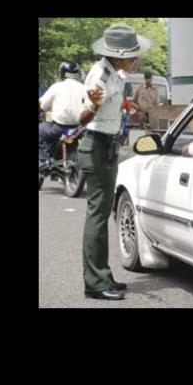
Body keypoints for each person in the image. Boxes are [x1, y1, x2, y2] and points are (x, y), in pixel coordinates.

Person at [78, 24, 151, 301]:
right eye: (133, 56)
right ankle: (95, 284)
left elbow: (111, 104)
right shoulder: (99, 76)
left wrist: (124, 107)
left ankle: (103, 276)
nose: (136, 60)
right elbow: (82, 118)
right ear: (118, 55)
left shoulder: (115, 73)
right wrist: (94, 105)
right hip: (96, 147)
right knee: (97, 217)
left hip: (106, 148)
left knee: (102, 214)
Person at [38, 62, 87, 171]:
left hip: (59, 127)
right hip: (78, 129)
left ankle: (45, 161)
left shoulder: (57, 87)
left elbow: (42, 104)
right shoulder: (83, 88)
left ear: (63, 73)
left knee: (40, 132)